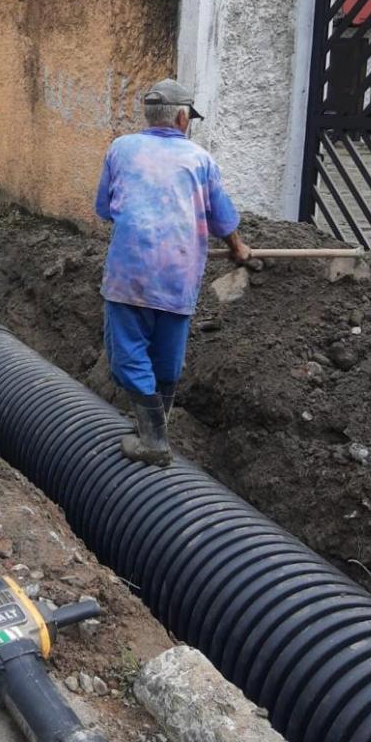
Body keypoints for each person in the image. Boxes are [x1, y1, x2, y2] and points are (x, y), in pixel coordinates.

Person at [95, 78, 252, 467]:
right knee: (167, 357)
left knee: (129, 353)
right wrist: (239, 249)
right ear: (182, 117)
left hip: (129, 271)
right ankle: (156, 432)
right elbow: (221, 219)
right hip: (179, 274)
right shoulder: (201, 160)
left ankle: (153, 438)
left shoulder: (121, 148)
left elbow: (104, 208)